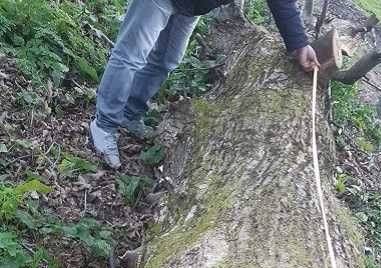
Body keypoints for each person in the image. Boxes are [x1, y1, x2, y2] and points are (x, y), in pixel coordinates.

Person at [90, 0, 320, 169]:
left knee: (167, 60)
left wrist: (299, 44)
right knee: (131, 56)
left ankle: (130, 114)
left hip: (191, 6)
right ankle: (104, 125)